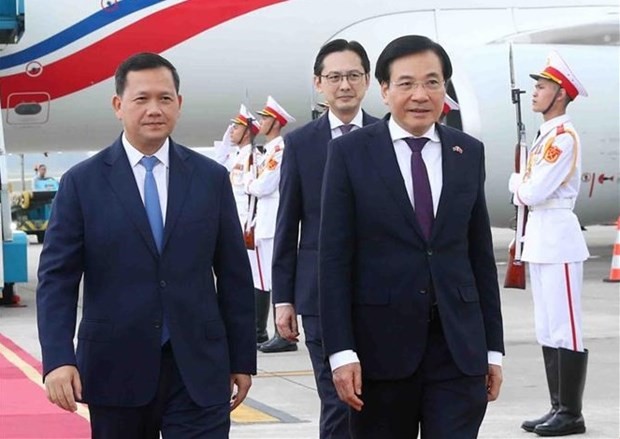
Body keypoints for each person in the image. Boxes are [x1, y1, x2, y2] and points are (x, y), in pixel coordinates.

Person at [36, 52, 256, 439]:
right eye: (141, 99)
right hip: (114, 369)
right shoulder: (81, 184)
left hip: (198, 369)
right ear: (118, 106)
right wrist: (57, 359)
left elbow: (234, 275)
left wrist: (241, 358)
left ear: (179, 104)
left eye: (165, 98)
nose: (154, 109)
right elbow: (57, 280)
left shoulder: (211, 179)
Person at [318, 35, 504, 439]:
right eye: (406, 83)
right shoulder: (350, 154)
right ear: (383, 90)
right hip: (379, 354)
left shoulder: (467, 152)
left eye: (432, 82)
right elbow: (333, 260)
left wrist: (493, 349)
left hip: (457, 350)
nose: (420, 95)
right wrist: (341, 352)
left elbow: (479, 255)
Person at [272, 39, 378, 438]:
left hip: (381, 294)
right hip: (318, 295)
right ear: (319, 83)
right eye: (334, 77)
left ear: (367, 81)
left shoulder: (387, 136)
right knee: (336, 400)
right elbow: (288, 223)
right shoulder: (300, 144)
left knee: (379, 401)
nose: (344, 85)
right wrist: (283, 298)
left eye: (353, 76)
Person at [509, 51, 589, 437]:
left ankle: (571, 412)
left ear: (560, 94)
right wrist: (523, 188)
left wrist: (516, 186)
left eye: (542, 87)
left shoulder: (562, 139)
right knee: (548, 326)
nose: (535, 93)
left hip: (558, 235)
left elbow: (534, 189)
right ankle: (558, 406)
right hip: (540, 237)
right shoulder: (545, 138)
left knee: (566, 327)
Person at [247, 96, 298, 353]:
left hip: (274, 220)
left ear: (275, 123)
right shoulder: (270, 151)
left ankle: (285, 334)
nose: (261, 122)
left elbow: (264, 186)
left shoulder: (279, 151)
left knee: (277, 278)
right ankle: (278, 332)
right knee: (266, 278)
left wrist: (247, 183)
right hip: (265, 221)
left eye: (265, 118)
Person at [227, 104, 261, 228]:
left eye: (236, 128)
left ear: (247, 133)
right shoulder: (238, 156)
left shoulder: (253, 157)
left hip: (245, 219)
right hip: (234, 216)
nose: (231, 131)